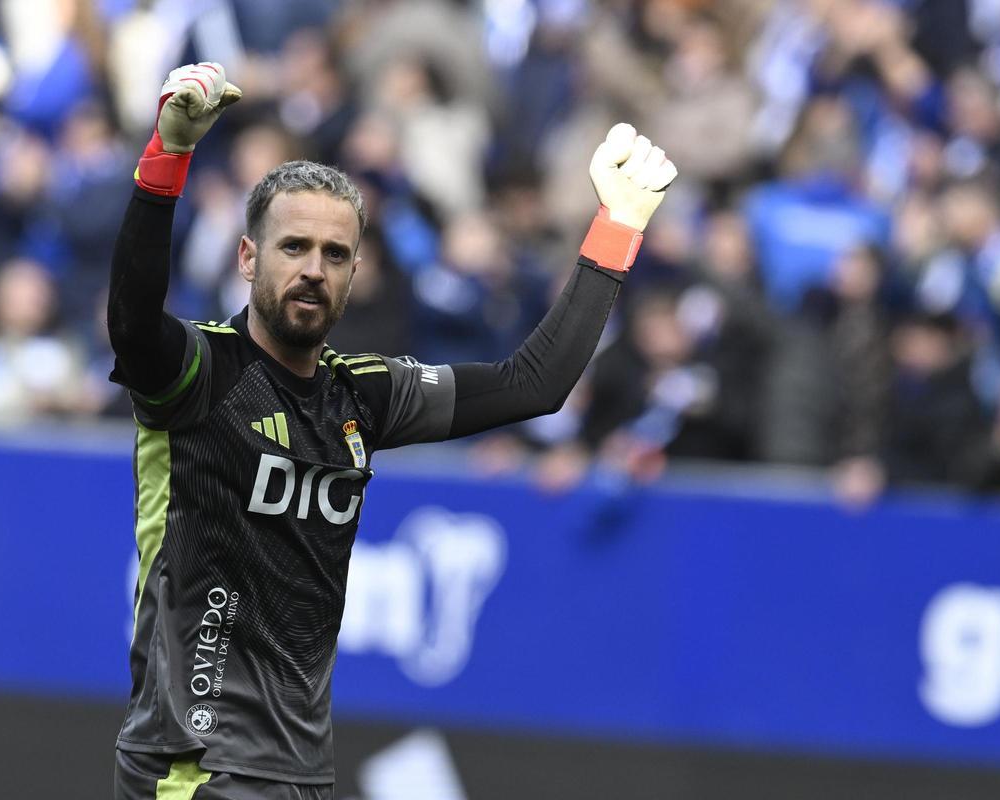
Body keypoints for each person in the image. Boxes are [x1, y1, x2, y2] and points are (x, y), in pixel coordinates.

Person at [108, 63, 676, 799]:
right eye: (293, 247)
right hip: (190, 770)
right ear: (247, 259)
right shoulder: (201, 373)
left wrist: (617, 227)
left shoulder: (364, 393)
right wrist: (168, 158)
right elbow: (130, 322)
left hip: (300, 775)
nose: (313, 269)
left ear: (355, 274)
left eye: (334, 255)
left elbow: (533, 384)